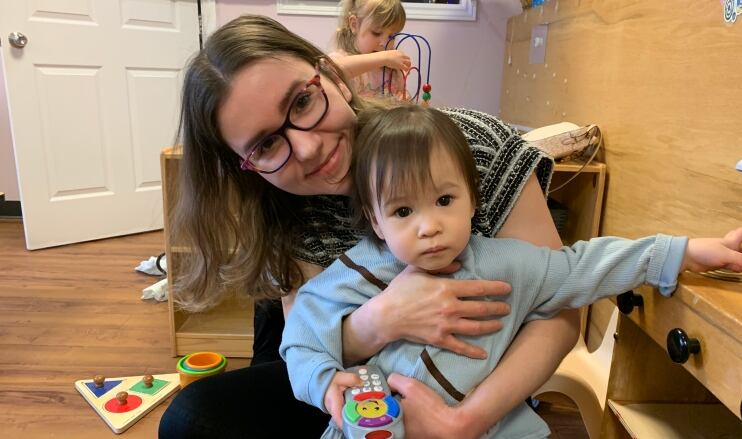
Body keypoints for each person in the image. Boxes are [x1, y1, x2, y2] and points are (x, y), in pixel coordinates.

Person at [160, 14, 585, 439]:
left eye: (303, 102)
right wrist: (383, 318)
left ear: (332, 76)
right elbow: (308, 348)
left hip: (481, 393)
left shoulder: (470, 144)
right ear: (247, 167)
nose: (308, 147)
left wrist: (464, 421)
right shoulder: (282, 213)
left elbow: (562, 311)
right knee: (191, 420)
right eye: (267, 143)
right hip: (361, 391)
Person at [279, 105, 742, 438]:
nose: (429, 226)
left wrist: (684, 251)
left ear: (473, 199)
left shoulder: (506, 264)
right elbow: (301, 338)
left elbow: (587, 265)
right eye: (403, 211)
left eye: (444, 200)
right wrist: (322, 382)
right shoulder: (354, 272)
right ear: (376, 221)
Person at [330, 0, 411, 99]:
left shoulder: (392, 70)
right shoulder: (342, 58)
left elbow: (400, 98)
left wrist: (403, 100)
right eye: (376, 33)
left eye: (392, 36)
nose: (384, 43)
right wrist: (384, 57)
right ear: (354, 25)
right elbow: (331, 69)